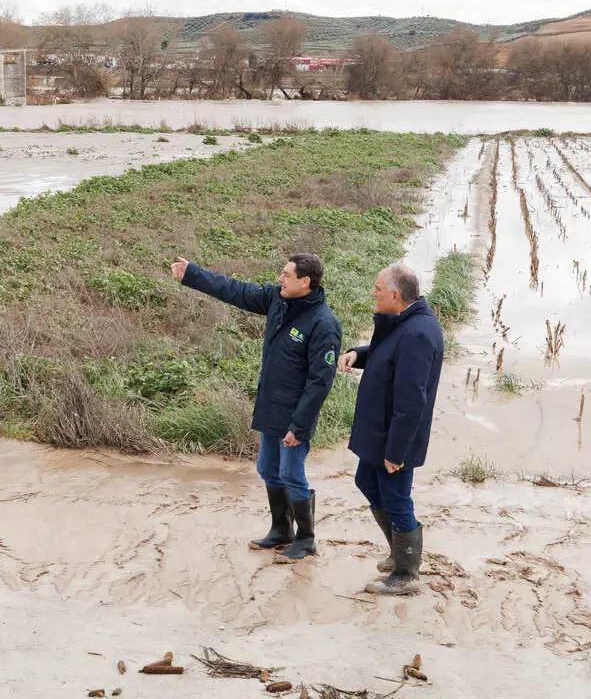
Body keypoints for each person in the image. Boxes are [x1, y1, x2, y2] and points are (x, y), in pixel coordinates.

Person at [172, 253, 341, 562]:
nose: (280, 278)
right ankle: (281, 530)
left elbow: (320, 382)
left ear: (305, 281)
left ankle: (305, 538)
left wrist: (299, 426)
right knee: (267, 468)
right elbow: (235, 289)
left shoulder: (324, 324)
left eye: (287, 275)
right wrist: (192, 274)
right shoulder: (277, 300)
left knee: (292, 472)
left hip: (294, 415)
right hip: (270, 406)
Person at [338, 264, 443, 595]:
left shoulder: (419, 334)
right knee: (366, 481)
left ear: (395, 295)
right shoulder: (403, 323)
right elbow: (388, 354)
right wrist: (360, 353)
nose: (373, 293)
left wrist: (396, 452)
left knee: (396, 499)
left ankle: (406, 574)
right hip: (379, 430)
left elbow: (412, 402)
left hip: (395, 437)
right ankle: (398, 552)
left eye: (378, 288)